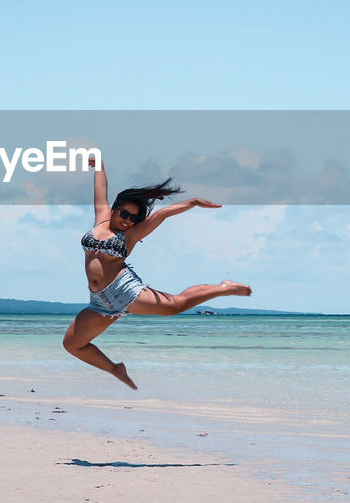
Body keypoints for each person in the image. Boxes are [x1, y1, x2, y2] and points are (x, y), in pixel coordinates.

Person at [62, 156, 251, 388]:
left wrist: (191, 203)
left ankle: (224, 288)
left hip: (124, 290)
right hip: (99, 302)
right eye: (124, 214)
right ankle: (115, 368)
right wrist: (99, 165)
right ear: (114, 209)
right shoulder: (100, 219)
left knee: (176, 306)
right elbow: (100, 188)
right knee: (72, 344)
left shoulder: (130, 236)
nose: (128, 221)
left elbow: (161, 214)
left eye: (133, 218)